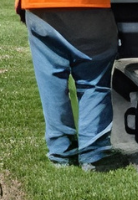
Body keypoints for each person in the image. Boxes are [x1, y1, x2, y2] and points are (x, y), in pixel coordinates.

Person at [15, 0, 118, 169]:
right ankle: (94, 154)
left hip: (40, 6)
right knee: (94, 80)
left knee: (51, 82)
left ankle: (61, 151)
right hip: (93, 7)